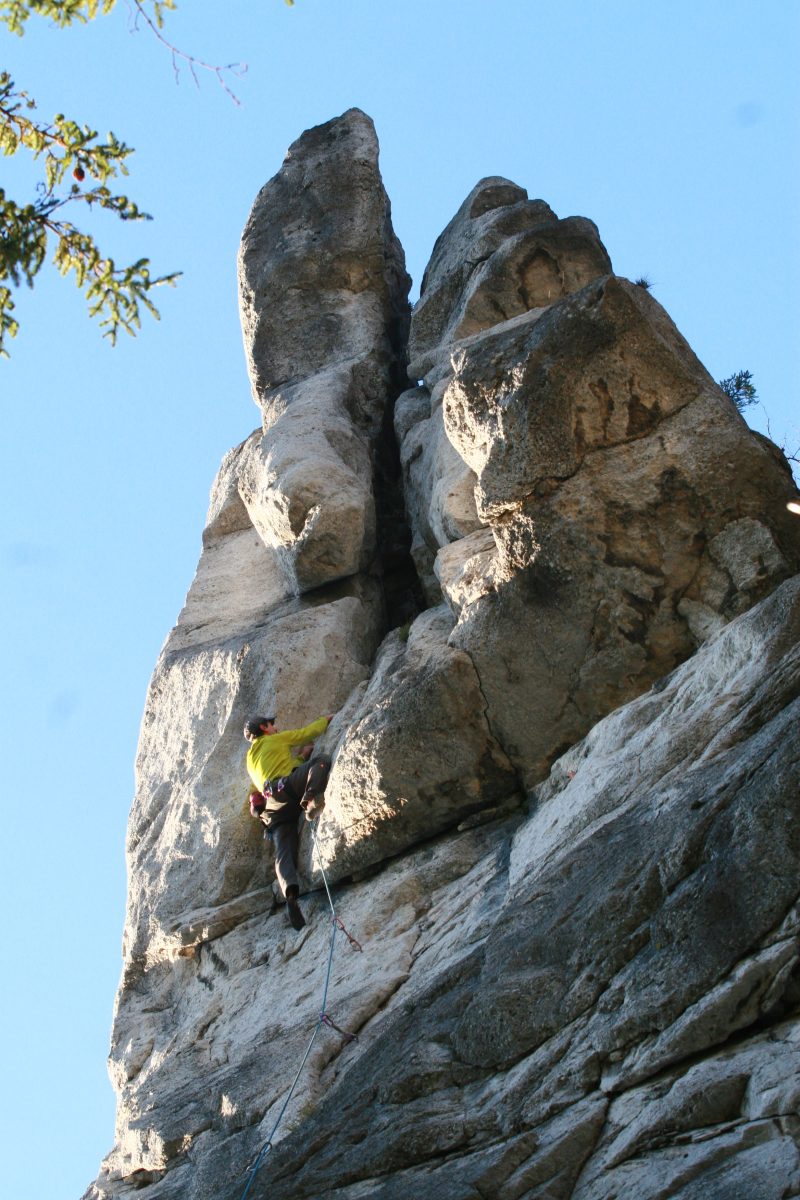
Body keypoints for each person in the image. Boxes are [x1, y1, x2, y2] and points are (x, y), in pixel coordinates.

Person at [244, 713, 332, 931]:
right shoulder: (274, 738)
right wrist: (326, 720)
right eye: (271, 724)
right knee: (322, 762)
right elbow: (305, 734)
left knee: (284, 849)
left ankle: (290, 894)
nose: (275, 727)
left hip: (274, 807)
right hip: (288, 788)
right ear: (264, 727)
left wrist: (301, 758)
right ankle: (310, 800)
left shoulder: (250, 759)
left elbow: (281, 767)